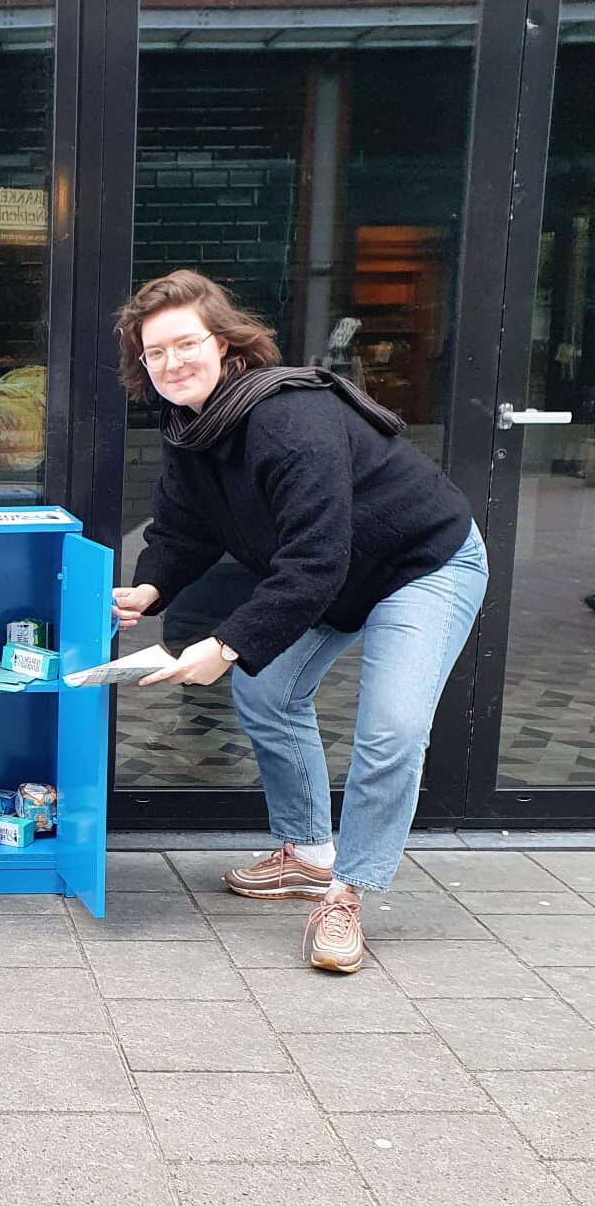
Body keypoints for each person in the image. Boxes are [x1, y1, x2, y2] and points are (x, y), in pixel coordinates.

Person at [112, 270, 488, 974]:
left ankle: (346, 893)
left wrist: (223, 645)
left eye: (184, 344)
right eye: (153, 353)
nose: (170, 363)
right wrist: (150, 589)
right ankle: (311, 855)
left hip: (421, 564)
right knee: (265, 689)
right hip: (336, 578)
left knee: (393, 728)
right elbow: (186, 525)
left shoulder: (290, 421)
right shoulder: (191, 428)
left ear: (223, 343)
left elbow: (311, 564)